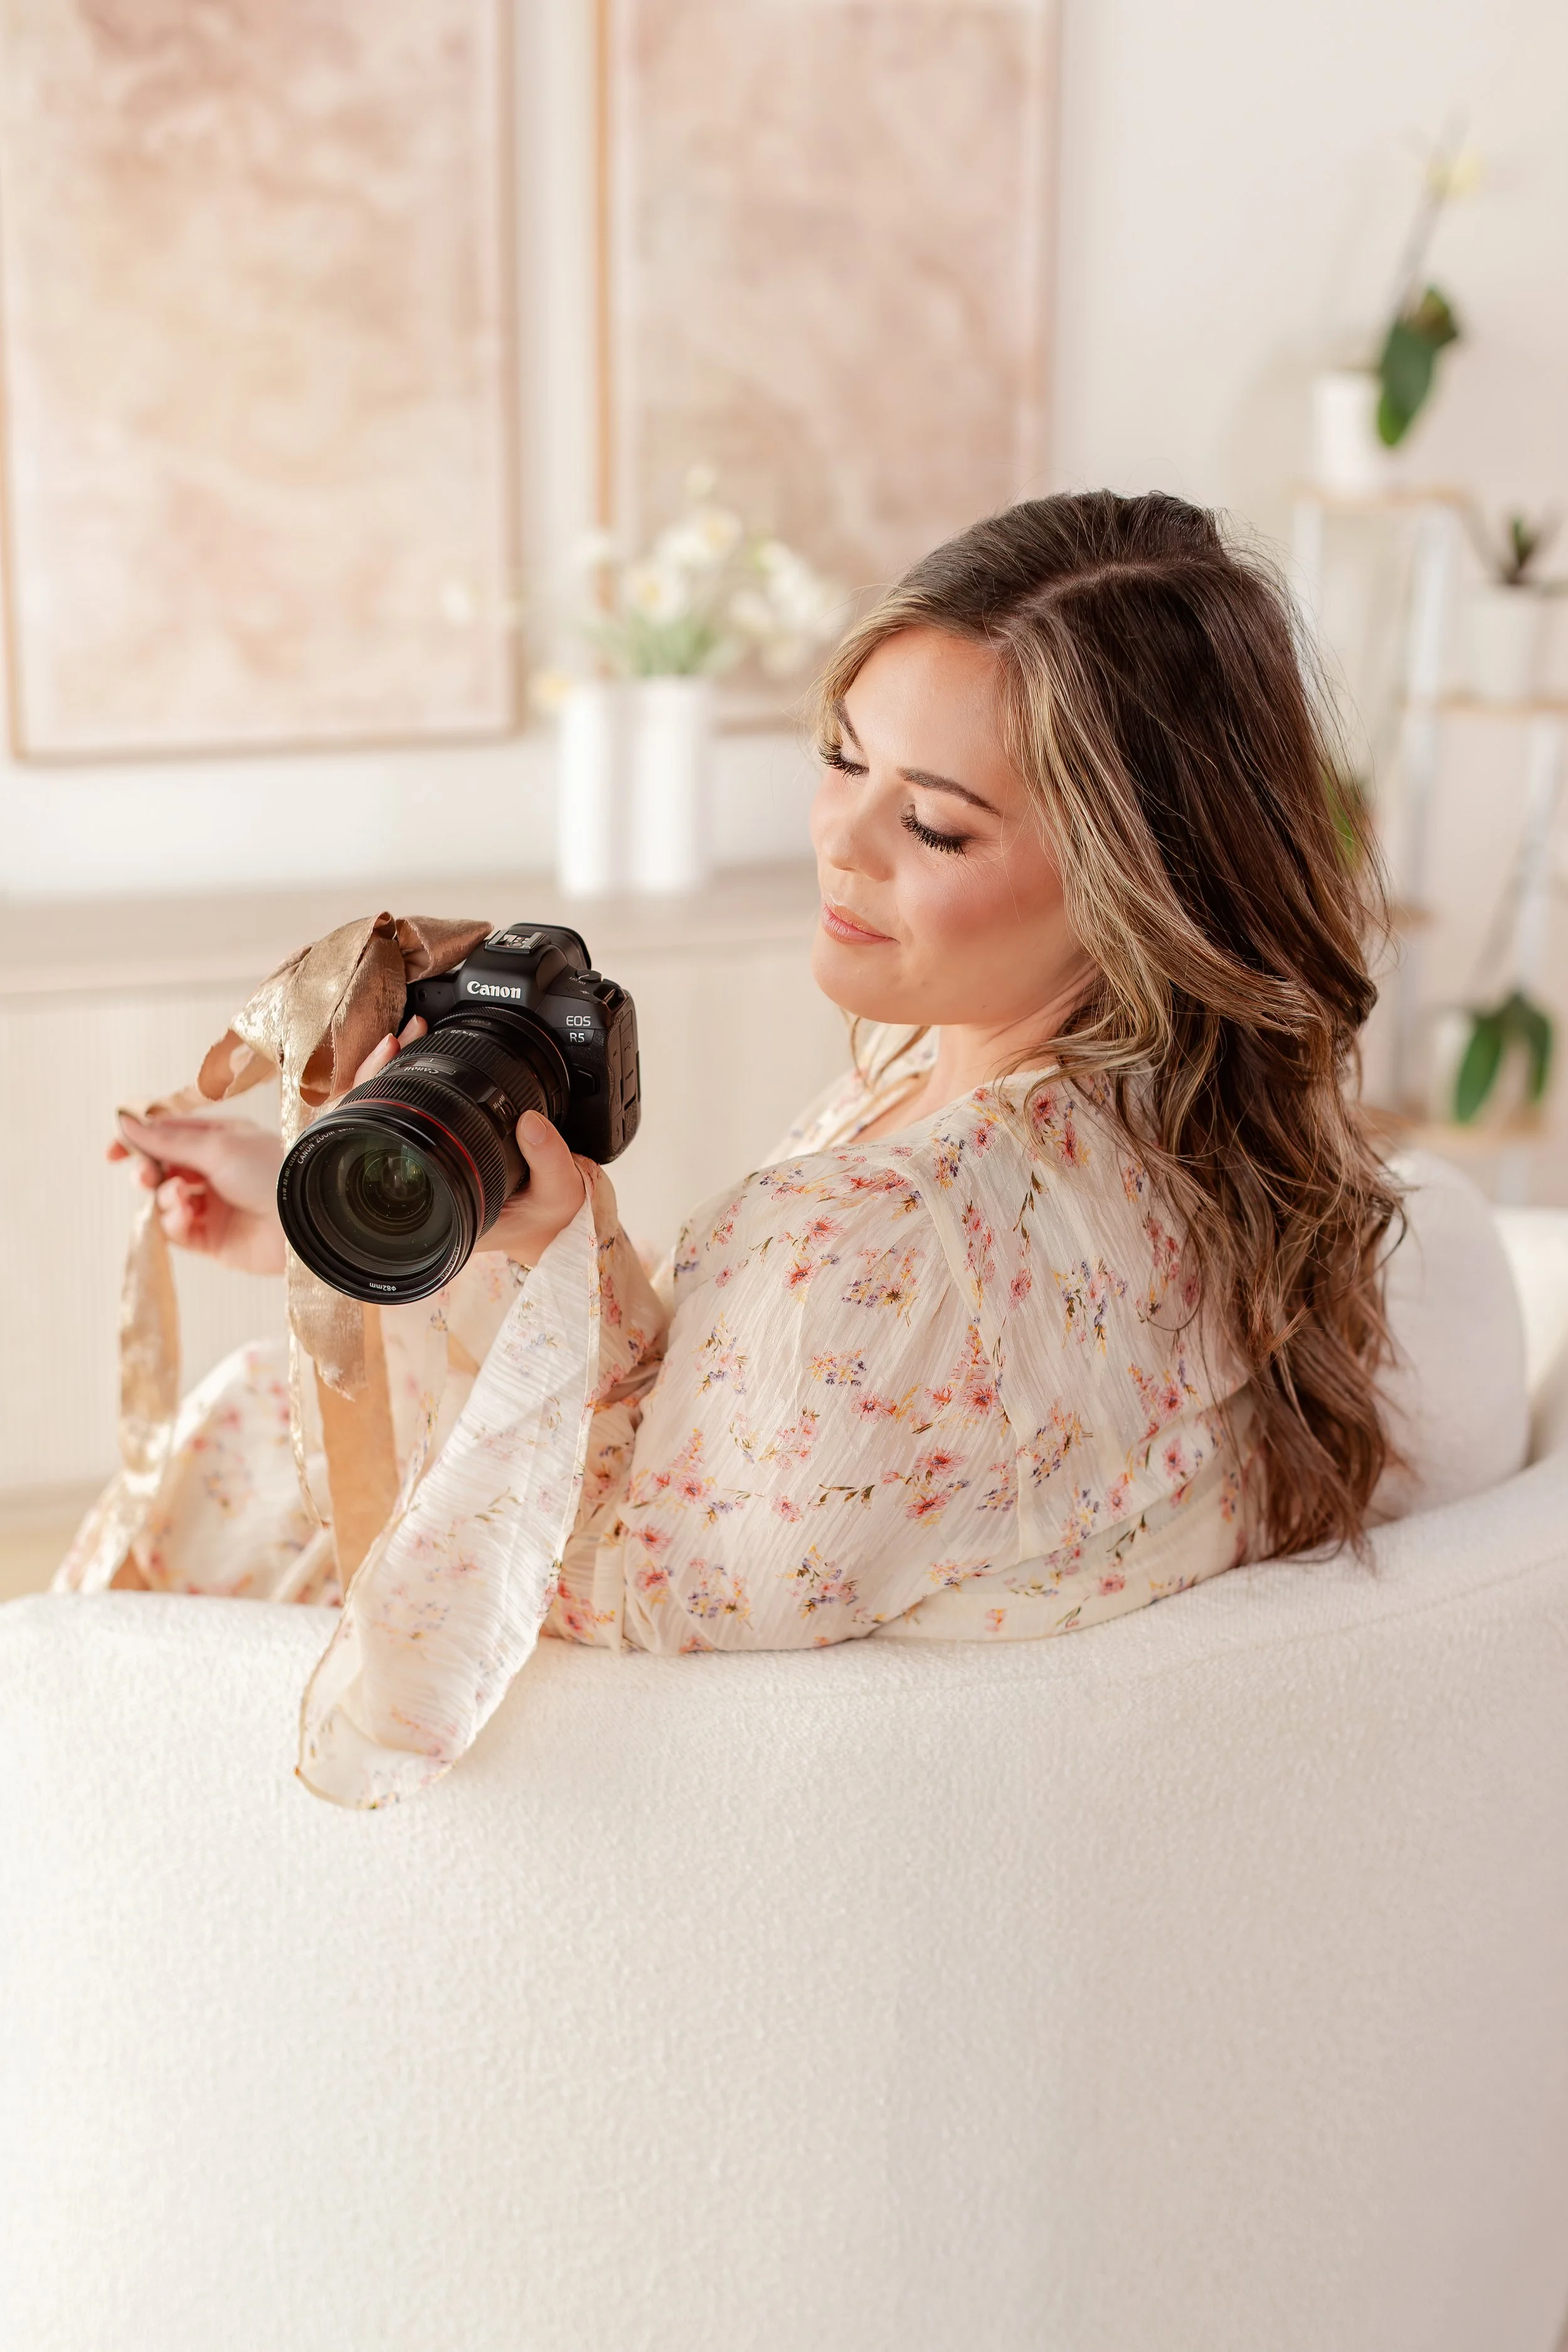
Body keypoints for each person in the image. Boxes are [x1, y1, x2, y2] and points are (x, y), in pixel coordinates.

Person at [71, 491, 1399, 1804]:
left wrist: (416, 1284)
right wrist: (441, 1227)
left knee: (244, 1436)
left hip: (605, 1828)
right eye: (839, 757)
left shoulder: (887, 1238)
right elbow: (731, 1439)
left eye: (931, 824)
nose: (836, 840)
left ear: (1138, 876)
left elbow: (547, 1578)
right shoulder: (1172, 1141)